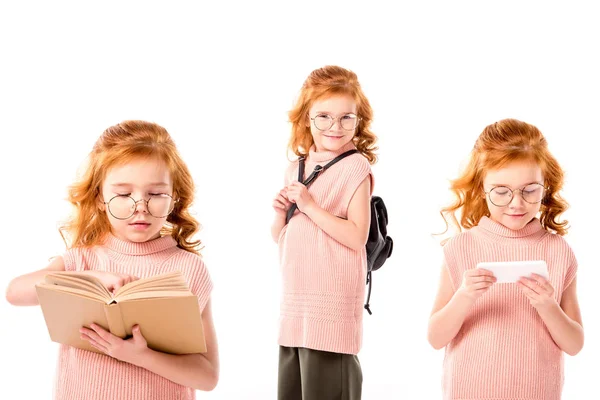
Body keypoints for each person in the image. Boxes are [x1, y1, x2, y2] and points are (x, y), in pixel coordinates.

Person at [5, 120, 219, 400]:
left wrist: (142, 356)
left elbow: (207, 376)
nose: (140, 207)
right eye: (123, 194)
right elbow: (14, 293)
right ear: (99, 198)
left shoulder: (188, 269)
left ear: (174, 197)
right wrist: (88, 278)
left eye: (155, 194)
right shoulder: (81, 260)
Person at [427, 118, 583, 400]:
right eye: (501, 192)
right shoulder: (462, 248)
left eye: (530, 190)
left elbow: (574, 344)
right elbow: (436, 338)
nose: (516, 203)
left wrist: (547, 305)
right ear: (481, 189)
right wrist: (465, 295)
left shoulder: (558, 251)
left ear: (546, 186)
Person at [272, 65, 377, 400]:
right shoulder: (296, 168)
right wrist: (280, 215)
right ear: (306, 118)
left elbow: (358, 235)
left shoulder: (356, 167)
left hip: (330, 301)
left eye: (347, 118)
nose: (336, 127)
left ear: (359, 120)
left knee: (329, 384)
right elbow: (283, 237)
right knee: (294, 387)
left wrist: (310, 205)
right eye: (324, 117)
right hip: (296, 299)